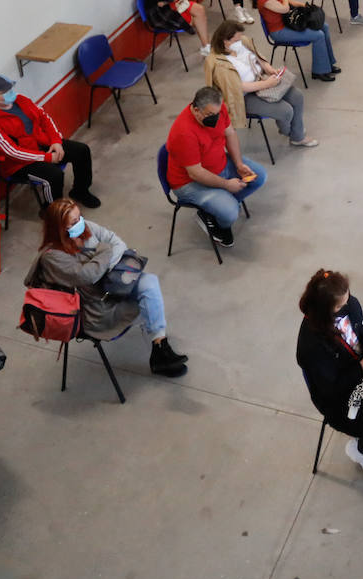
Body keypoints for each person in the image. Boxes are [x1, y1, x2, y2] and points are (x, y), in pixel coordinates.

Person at [26, 198, 188, 377]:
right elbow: (86, 275)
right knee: (150, 305)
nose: (80, 223)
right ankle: (160, 354)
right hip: (95, 308)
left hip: (112, 286)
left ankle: (160, 346)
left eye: (79, 217)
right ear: (59, 227)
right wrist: (104, 251)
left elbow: (117, 242)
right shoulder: (53, 257)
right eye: (74, 221)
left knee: (149, 283)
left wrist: (103, 265)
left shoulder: (85, 227)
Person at [295, 268, 363, 477]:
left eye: (346, 299)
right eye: (340, 305)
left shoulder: (347, 304)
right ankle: (361, 449)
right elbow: (332, 390)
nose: (347, 305)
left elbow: (362, 328)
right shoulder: (311, 347)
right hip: (342, 400)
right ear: (323, 310)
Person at [164, 86, 269, 248]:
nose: (215, 118)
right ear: (196, 110)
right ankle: (214, 221)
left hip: (220, 164)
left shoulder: (217, 109)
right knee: (230, 212)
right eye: (210, 115)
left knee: (259, 176)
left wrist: (239, 164)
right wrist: (227, 184)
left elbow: (230, 134)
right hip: (189, 183)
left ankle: (217, 206)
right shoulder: (184, 133)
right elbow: (196, 173)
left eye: (218, 113)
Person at [0, 75, 100, 209]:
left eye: (10, 89)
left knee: (81, 150)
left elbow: (44, 117)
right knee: (54, 176)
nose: (11, 93)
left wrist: (56, 141)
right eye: (5, 92)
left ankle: (80, 191)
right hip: (19, 163)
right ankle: (52, 211)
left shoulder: (21, 100)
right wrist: (47, 157)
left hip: (41, 145)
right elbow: (12, 152)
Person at [204, 19, 317, 148]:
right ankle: (290, 131)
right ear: (225, 40)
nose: (240, 42)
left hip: (261, 80)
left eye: (240, 38)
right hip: (243, 98)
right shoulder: (219, 63)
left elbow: (259, 58)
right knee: (286, 111)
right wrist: (267, 84)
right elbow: (238, 87)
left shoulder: (242, 43)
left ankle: (297, 137)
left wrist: (270, 70)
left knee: (297, 96)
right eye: (236, 40)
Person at [250, 0, 340, 82]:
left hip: (289, 22)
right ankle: (320, 71)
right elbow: (285, 8)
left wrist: (305, 6)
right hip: (279, 31)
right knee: (318, 36)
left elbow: (287, 1)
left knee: (324, 26)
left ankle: (328, 63)